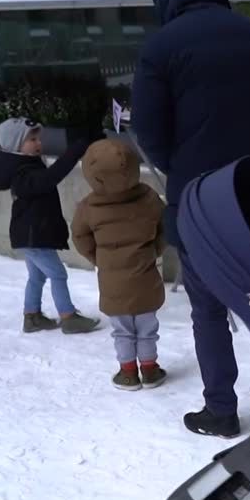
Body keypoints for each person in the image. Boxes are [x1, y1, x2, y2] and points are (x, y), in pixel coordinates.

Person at [131, 0, 250, 437]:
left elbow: (149, 128)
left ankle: (220, 410)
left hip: (198, 200)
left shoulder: (160, 48)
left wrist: (180, 167)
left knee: (208, 307)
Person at [70, 139, 168, 391]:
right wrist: (154, 250)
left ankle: (128, 373)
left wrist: (99, 258)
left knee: (123, 330)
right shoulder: (148, 197)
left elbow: (80, 237)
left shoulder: (89, 207)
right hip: (146, 278)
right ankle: (149, 370)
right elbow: (165, 228)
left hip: (113, 283)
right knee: (147, 328)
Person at [0, 118, 101, 335]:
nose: (38, 142)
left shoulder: (24, 164)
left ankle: (32, 317)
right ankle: (68, 317)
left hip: (34, 234)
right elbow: (50, 178)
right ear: (16, 144)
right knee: (58, 274)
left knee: (37, 276)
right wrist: (77, 149)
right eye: (31, 139)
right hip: (33, 236)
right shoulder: (21, 172)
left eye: (38, 138)